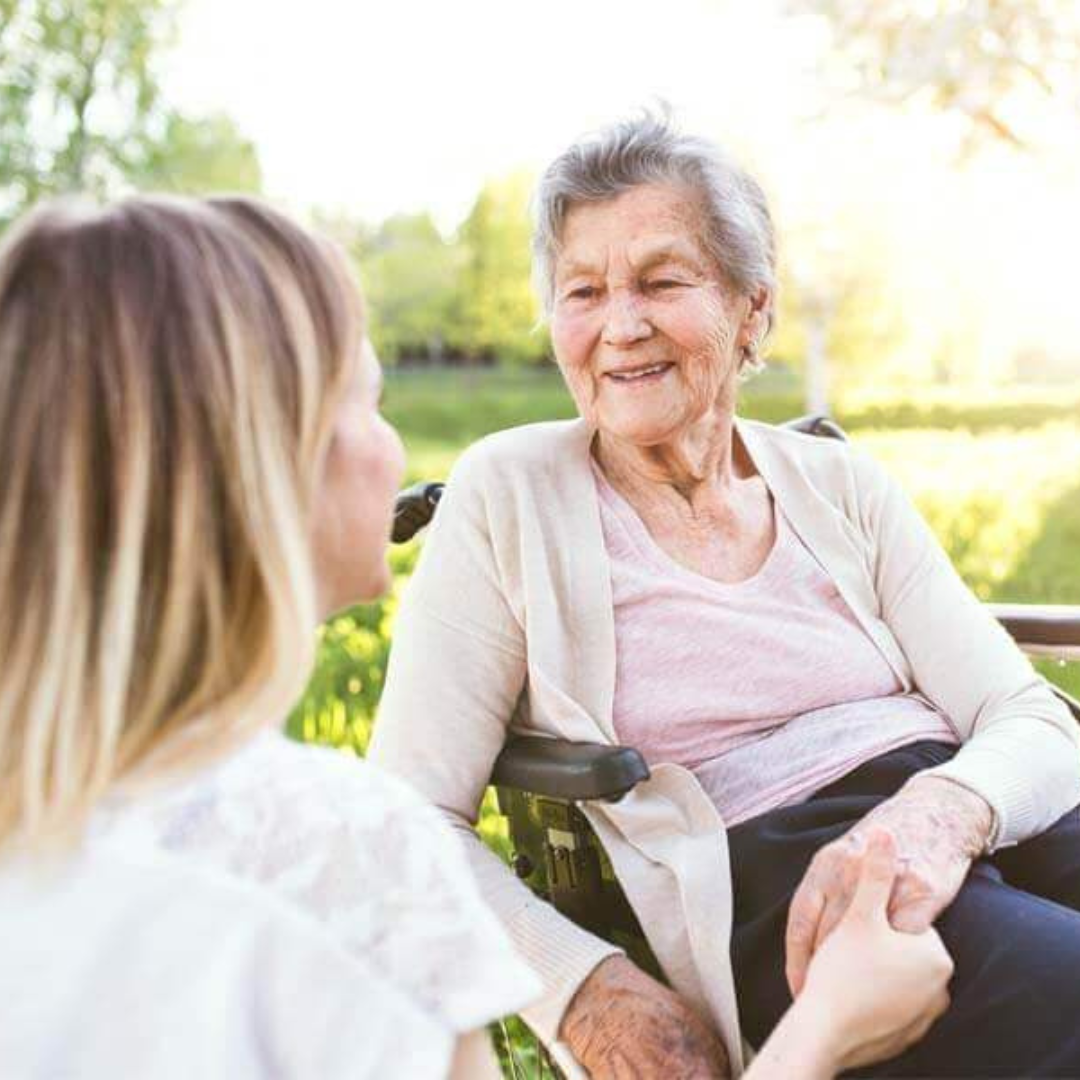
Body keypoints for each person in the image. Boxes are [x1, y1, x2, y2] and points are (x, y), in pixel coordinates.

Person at [370, 111, 1080, 1078]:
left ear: (753, 310)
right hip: (786, 872)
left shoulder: (841, 485)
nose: (621, 325)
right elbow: (403, 821)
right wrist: (580, 990)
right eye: (584, 290)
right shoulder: (511, 491)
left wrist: (940, 815)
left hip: (961, 802)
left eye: (662, 281)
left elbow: (1028, 715)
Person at [0, 195, 541, 1079]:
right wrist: (825, 1025)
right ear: (269, 456)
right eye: (371, 400)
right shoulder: (343, 848)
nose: (397, 451)